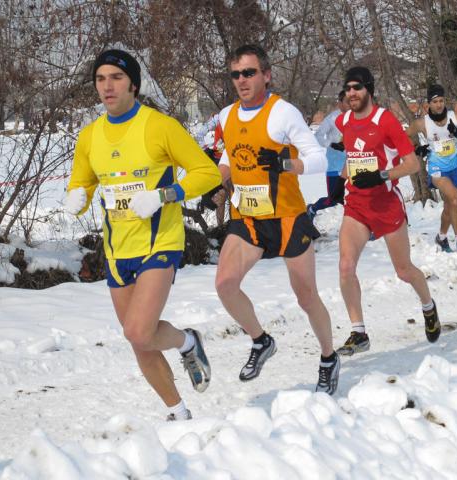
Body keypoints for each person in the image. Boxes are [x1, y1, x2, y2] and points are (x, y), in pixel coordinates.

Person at [64, 49, 221, 420]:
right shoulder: (89, 136)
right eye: (100, 79)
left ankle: (188, 341)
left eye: (116, 78)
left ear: (133, 84)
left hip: (159, 242)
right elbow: (82, 182)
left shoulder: (159, 126)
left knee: (137, 331)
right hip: (118, 250)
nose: (107, 86)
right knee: (141, 342)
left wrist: (165, 195)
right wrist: (78, 197)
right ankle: (179, 413)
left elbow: (207, 173)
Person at [214, 44, 340, 395]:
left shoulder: (283, 113)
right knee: (225, 284)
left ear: (266, 75)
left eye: (249, 72)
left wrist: (287, 164)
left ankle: (329, 357)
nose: (242, 80)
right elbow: (228, 154)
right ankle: (260, 340)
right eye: (236, 74)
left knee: (306, 296)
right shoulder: (226, 115)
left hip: (286, 216)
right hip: (248, 217)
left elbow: (318, 157)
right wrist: (219, 178)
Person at [334, 66, 441, 355]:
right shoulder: (343, 121)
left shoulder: (386, 120)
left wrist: (381, 175)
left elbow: (412, 164)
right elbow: (352, 157)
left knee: (404, 270)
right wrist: (340, 177)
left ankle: (428, 306)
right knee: (345, 266)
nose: (351, 93)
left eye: (357, 87)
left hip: (386, 205)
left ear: (368, 89)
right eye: (348, 88)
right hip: (356, 205)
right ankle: (359, 333)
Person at [407, 84, 457, 254]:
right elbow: (403, 137)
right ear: (428, 104)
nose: (439, 105)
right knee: (454, 200)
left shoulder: (456, 117)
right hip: (437, 170)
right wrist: (416, 149)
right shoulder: (422, 123)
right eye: (435, 101)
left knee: (449, 206)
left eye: (441, 101)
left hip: (454, 168)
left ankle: (442, 237)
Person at [307, 90, 349, 220]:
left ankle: (362, 226)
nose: (350, 104)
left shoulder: (356, 117)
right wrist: (331, 144)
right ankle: (312, 209)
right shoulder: (332, 118)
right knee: (334, 199)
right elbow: (318, 136)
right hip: (334, 165)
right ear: (340, 103)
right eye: (346, 102)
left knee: (357, 197)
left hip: (351, 164)